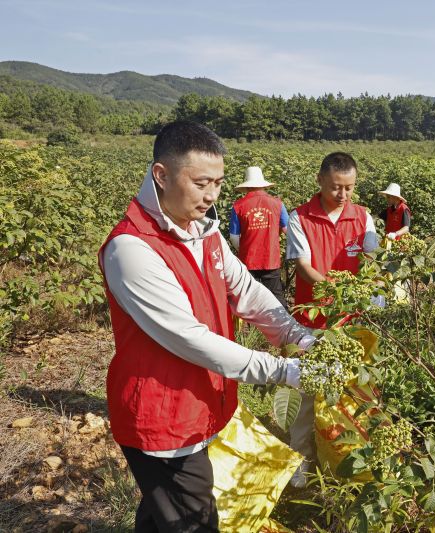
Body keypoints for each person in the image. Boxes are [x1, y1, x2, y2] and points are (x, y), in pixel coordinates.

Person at [99, 120, 319, 532]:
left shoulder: (205, 234)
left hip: (196, 405)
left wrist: (300, 337)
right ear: (161, 176)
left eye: (218, 182)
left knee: (162, 512)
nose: (212, 195)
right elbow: (191, 339)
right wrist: (285, 370)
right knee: (195, 520)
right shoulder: (132, 250)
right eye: (201, 183)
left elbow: (248, 294)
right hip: (162, 420)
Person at [284, 151, 378, 485]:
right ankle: (301, 460)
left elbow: (372, 256)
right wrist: (339, 292)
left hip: (352, 325)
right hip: (311, 324)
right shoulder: (300, 218)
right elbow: (304, 268)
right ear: (320, 180)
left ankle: (342, 460)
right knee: (306, 394)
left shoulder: (363, 218)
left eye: (349, 188)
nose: (342, 194)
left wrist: (378, 280)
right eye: (336, 187)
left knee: (352, 394)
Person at [229, 166, 290, 309]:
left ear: (247, 186)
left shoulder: (238, 206)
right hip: (271, 258)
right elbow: (288, 230)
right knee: (276, 296)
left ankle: (253, 330)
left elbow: (233, 236)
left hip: (248, 260)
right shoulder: (277, 204)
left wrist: (245, 248)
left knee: (249, 299)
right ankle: (285, 328)